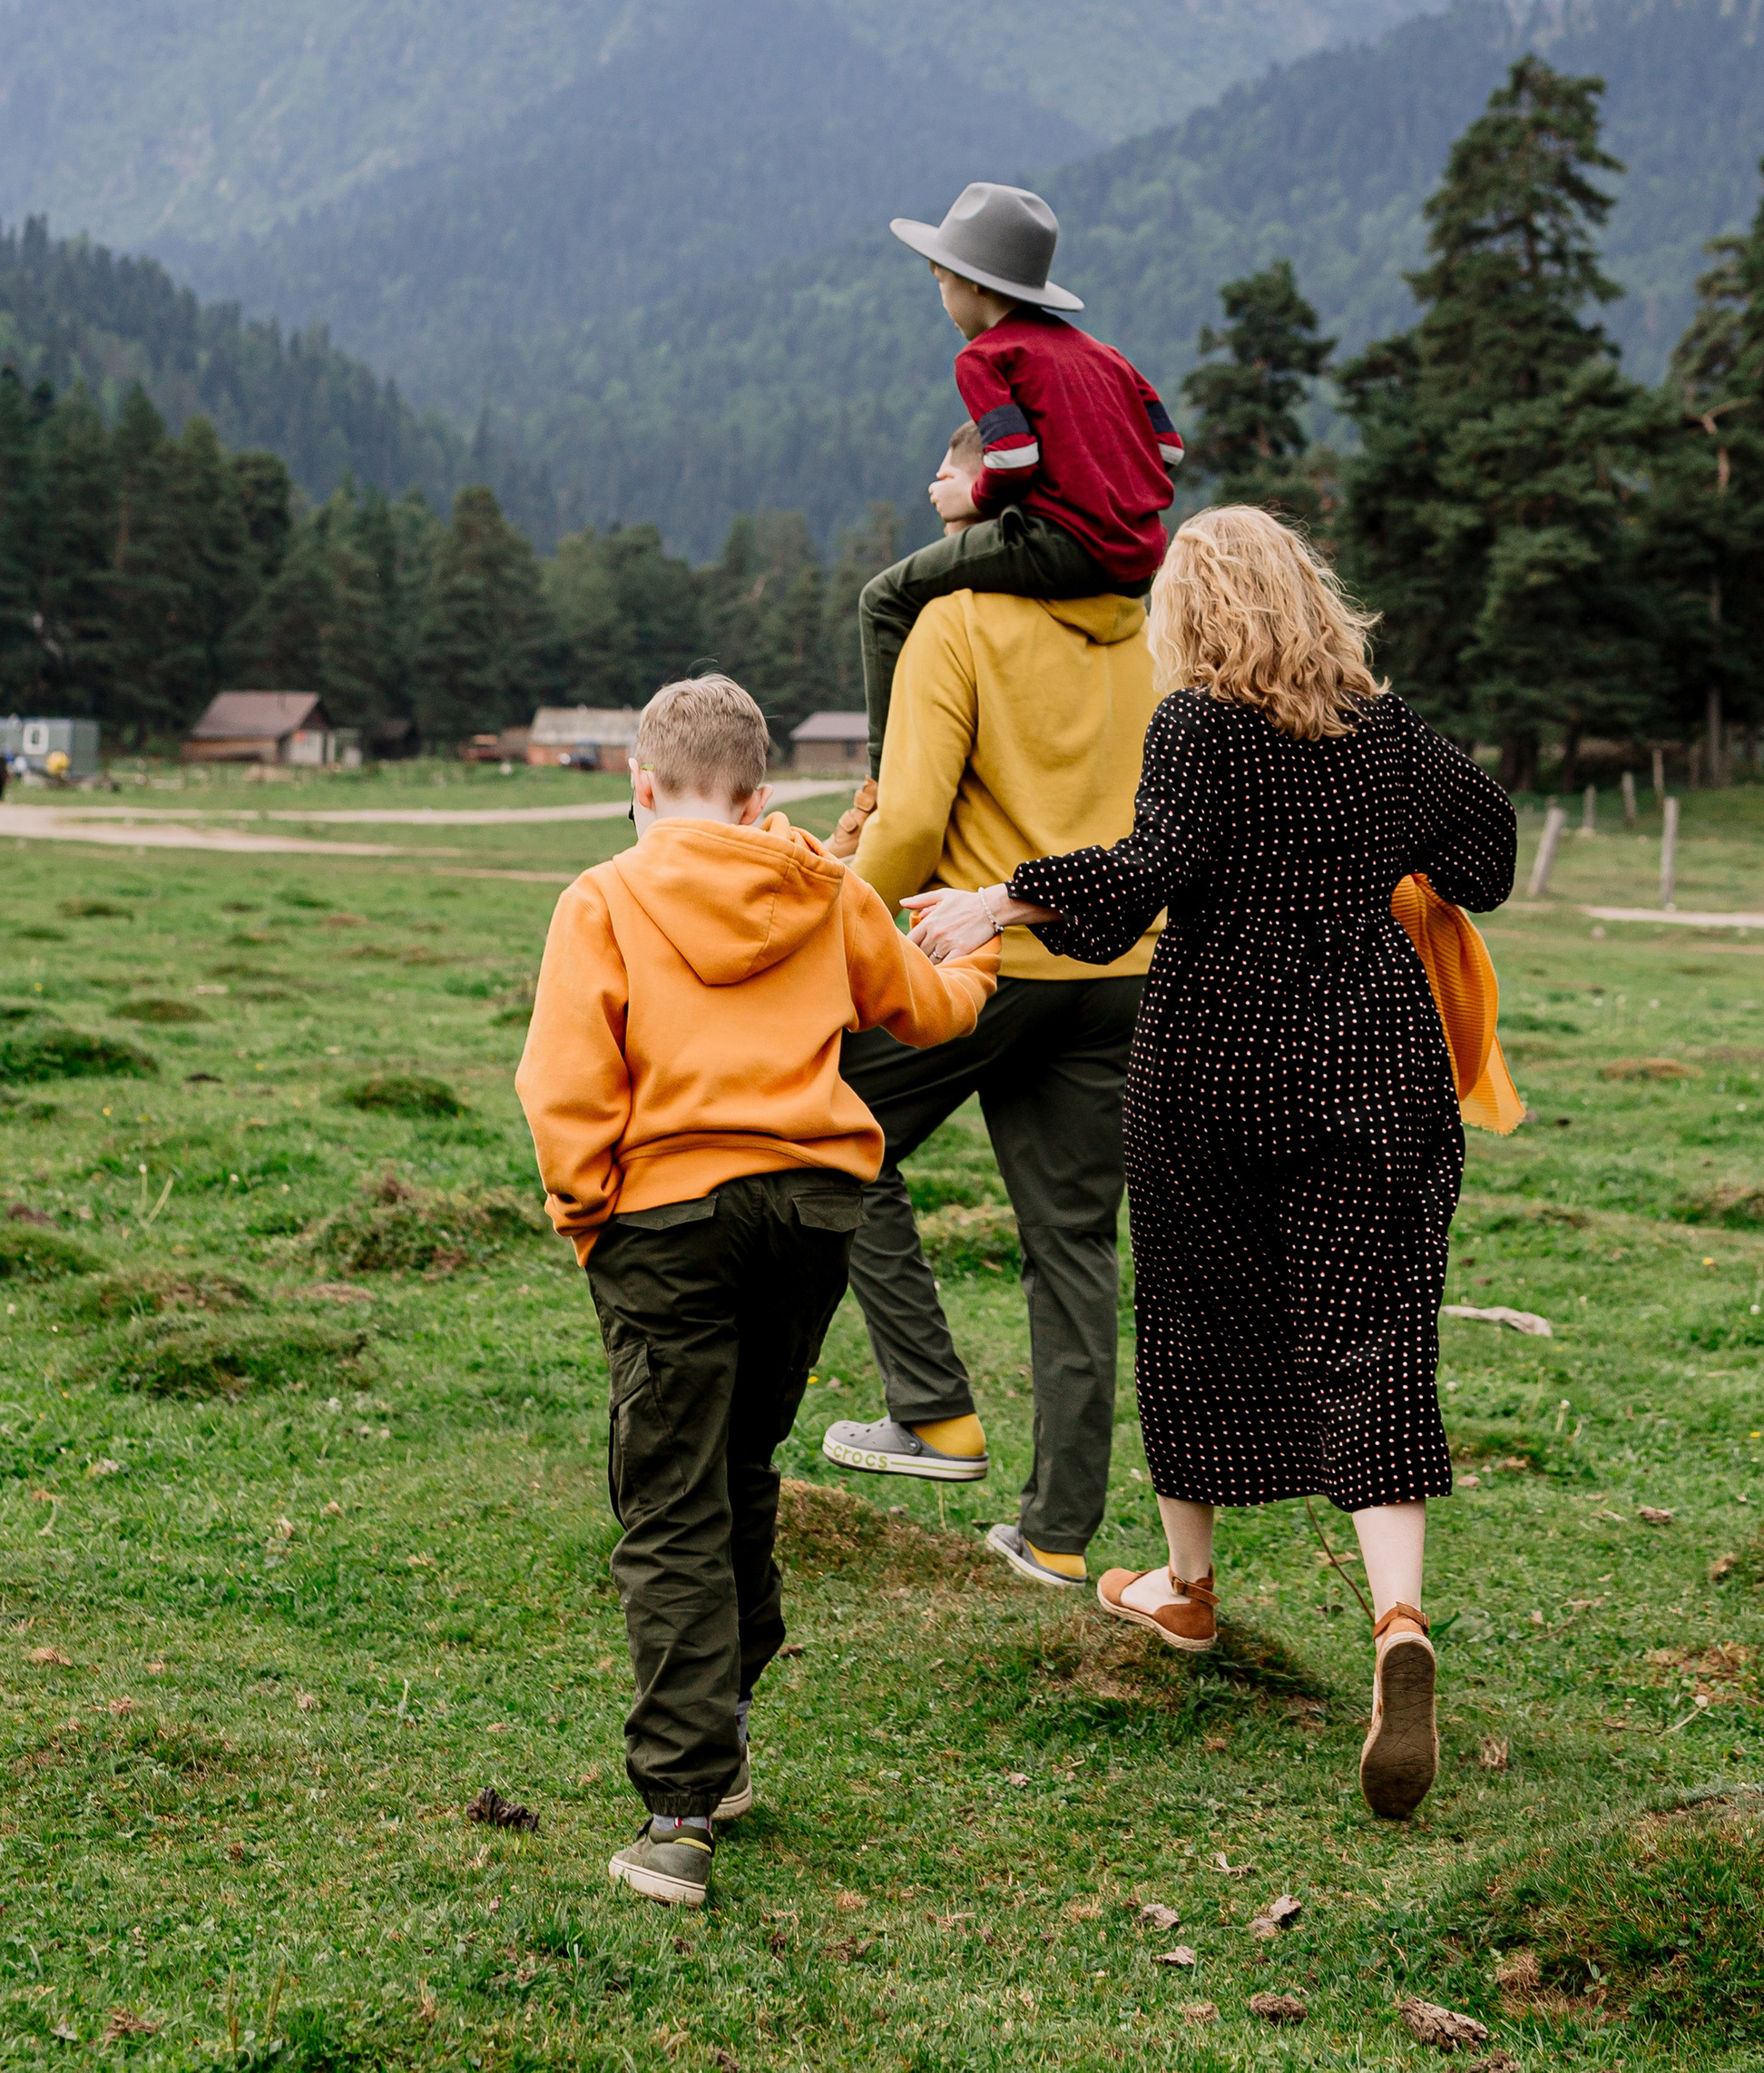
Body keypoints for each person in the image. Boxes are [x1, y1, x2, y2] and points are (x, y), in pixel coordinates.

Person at [907, 505, 1515, 1821]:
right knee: (1374, 1341)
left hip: (1216, 1062)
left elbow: (1153, 867)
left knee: (1190, 1315)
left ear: (1197, 615)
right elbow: (1490, 852)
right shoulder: (1387, 735)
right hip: (1372, 1059)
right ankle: (1397, 1620)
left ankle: (1187, 1593)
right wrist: (1386, 862)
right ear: (1309, 600)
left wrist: (998, 899)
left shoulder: (1196, 727)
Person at [514, 672, 997, 1911]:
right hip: (813, 1210)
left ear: (639, 789)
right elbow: (930, 1009)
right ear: (760, 793)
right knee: (739, 1471)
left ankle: (678, 1812)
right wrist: (982, 956)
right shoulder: (825, 888)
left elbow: (566, 1088)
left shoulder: (604, 897)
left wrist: (588, 1224)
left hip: (668, 1217)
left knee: (670, 1499)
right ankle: (721, 1733)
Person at [818, 419, 1161, 1589]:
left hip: (988, 961)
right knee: (1073, 1246)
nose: (929, 481)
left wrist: (834, 922)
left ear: (1005, 492)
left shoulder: (949, 621)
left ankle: (934, 1414)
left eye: (950, 464)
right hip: (1120, 968)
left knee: (834, 1127)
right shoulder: (1145, 633)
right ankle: (1059, 1536)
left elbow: (909, 823)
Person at [846, 179, 1182, 810]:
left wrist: (974, 498)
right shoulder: (1106, 358)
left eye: (941, 280)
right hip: (1137, 560)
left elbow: (1014, 457)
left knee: (882, 599)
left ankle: (883, 786)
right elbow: (1169, 448)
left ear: (974, 284)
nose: (941, 296)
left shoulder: (985, 355)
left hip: (1062, 544)